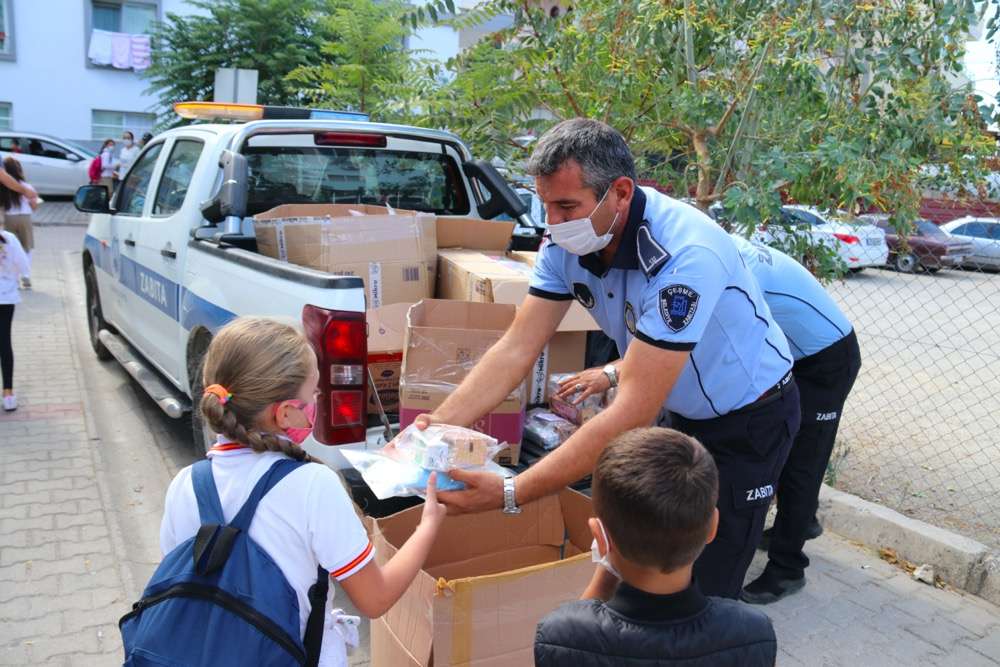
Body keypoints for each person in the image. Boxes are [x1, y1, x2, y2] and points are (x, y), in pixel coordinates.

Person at [409, 118, 800, 599]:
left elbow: (631, 407)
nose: (552, 222)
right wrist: (434, 426)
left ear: (620, 191)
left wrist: (513, 492)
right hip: (678, 410)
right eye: (546, 204)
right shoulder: (568, 242)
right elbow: (517, 347)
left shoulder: (685, 255)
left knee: (707, 579)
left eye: (567, 206)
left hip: (749, 417)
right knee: (641, 552)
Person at [158, 317, 446, 665]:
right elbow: (376, 598)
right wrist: (428, 526)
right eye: (313, 394)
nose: (317, 401)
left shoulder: (185, 484)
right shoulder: (312, 484)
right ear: (284, 414)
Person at [534, 427, 777, 666]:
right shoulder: (753, 635)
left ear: (600, 538)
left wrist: (606, 563)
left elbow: (574, 626)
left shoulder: (560, 637)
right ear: (713, 527)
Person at [725, 234, 862, 604]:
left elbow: (742, 339)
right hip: (799, 356)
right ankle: (804, 521)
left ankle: (788, 568)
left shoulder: (740, 268)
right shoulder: (725, 249)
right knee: (787, 450)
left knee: (803, 462)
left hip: (827, 361)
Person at [0, 225, 29, 412]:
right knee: (4, 342)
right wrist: (11, 276)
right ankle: (8, 394)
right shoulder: (9, 239)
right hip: (5, 296)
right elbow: (24, 266)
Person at [0, 157, 37, 289]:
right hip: (25, 218)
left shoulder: (3, 188)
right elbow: (34, 205)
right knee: (26, 247)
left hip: (9, 218)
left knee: (10, 247)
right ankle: (26, 275)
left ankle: (14, 278)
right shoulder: (26, 187)